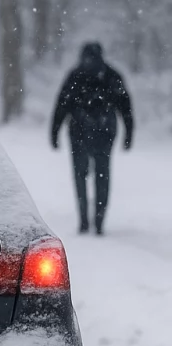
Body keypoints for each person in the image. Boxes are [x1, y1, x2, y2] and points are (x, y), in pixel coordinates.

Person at [51, 42, 133, 235]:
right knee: (102, 176)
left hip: (79, 132)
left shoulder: (75, 75)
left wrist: (54, 132)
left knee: (80, 176)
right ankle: (99, 221)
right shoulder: (112, 75)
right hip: (105, 133)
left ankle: (84, 220)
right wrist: (129, 133)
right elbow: (125, 107)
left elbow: (62, 105)